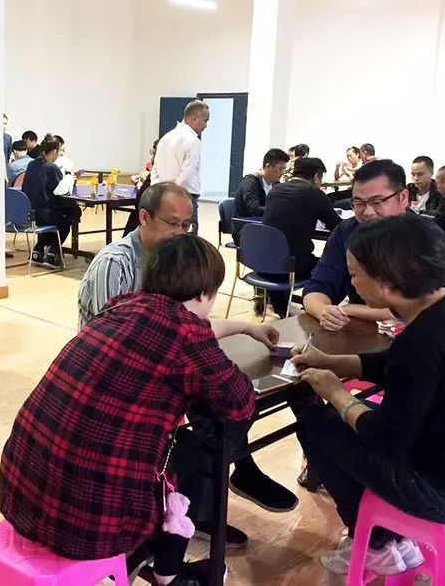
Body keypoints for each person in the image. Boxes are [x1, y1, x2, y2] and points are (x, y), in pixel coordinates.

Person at [0, 235, 258, 586]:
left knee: (168, 448)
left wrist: (246, 328)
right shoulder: (186, 334)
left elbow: (195, 331)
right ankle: (167, 573)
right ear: (204, 294)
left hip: (21, 494)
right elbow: (240, 402)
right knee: (194, 455)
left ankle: (146, 549)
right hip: (85, 525)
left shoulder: (120, 309)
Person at [293, 213, 445, 577]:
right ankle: (386, 537)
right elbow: (399, 365)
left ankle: (379, 543)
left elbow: (385, 439)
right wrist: (332, 362)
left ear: (386, 283)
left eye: (354, 274)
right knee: (341, 420)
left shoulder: (423, 341)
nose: (352, 283)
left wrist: (337, 395)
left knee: (318, 426)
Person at [78, 182, 299, 540]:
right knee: (213, 414)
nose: (181, 232)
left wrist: (246, 327)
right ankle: (198, 504)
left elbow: (177, 325)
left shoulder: (170, 266)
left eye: (187, 225)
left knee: (214, 407)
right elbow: (124, 343)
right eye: (173, 223)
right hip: (114, 386)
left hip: (136, 376)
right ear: (144, 218)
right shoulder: (116, 265)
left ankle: (219, 486)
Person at [302, 160, 408, 332]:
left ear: (403, 197)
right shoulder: (347, 231)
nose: (368, 212)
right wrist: (324, 311)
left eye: (377, 201)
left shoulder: (425, 237)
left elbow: (415, 307)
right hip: (357, 330)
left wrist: (350, 309)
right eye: (359, 203)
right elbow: (319, 285)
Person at [260, 157, 341, 318]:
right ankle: (319, 310)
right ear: (316, 176)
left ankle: (281, 308)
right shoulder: (315, 194)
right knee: (335, 269)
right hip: (292, 266)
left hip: (262, 263)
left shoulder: (275, 190)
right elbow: (337, 226)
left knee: (284, 251)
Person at [21, 134, 80, 266]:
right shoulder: (52, 168)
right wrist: (70, 177)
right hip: (46, 213)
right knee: (71, 215)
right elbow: (61, 192)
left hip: (32, 213)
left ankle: (38, 251)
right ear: (54, 151)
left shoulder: (31, 164)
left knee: (57, 220)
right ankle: (53, 252)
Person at [151, 100, 209, 234]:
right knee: (187, 239)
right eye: (205, 121)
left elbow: (155, 169)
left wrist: (159, 191)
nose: (206, 126)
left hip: (163, 196)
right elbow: (187, 174)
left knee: (166, 235)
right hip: (185, 196)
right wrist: (175, 194)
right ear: (194, 118)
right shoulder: (193, 141)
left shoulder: (165, 138)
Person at [232, 148, 288, 243]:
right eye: (280, 169)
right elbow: (254, 208)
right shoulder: (250, 182)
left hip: (264, 225)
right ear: (268, 166)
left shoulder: (276, 185)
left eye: (284, 169)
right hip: (246, 228)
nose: (282, 173)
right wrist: (276, 211)